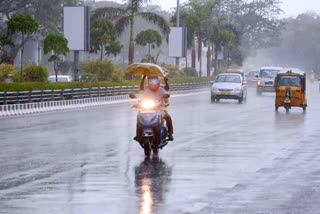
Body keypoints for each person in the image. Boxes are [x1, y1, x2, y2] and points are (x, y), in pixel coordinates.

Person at [135, 76, 174, 141]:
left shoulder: (161, 89)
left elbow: (166, 99)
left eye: (155, 84)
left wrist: (165, 104)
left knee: (168, 117)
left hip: (159, 109)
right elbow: (141, 96)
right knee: (138, 116)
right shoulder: (146, 88)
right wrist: (138, 104)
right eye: (152, 84)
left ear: (158, 83)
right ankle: (138, 134)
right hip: (147, 109)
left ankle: (170, 134)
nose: (153, 86)